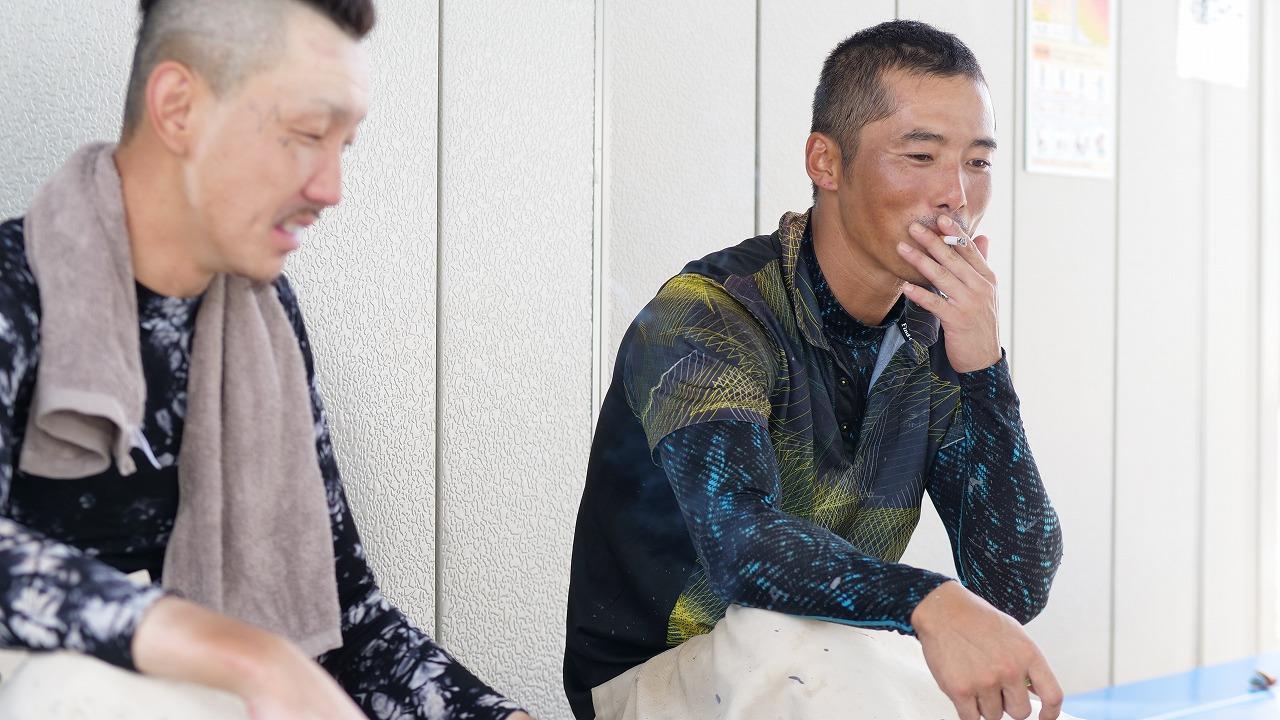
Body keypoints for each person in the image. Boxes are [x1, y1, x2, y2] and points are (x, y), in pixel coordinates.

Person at [0, 1, 532, 718]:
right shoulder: (16, 287)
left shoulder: (263, 322)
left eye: (344, 146)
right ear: (178, 108)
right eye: (306, 134)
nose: (330, 191)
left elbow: (351, 623)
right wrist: (242, 654)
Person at [565, 20, 1065, 720]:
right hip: (657, 681)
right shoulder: (710, 314)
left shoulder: (934, 334)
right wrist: (930, 601)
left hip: (830, 664)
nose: (955, 194)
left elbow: (1014, 584)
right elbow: (742, 547)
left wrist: (985, 369)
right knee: (805, 643)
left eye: (977, 162)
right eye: (921, 156)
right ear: (826, 163)